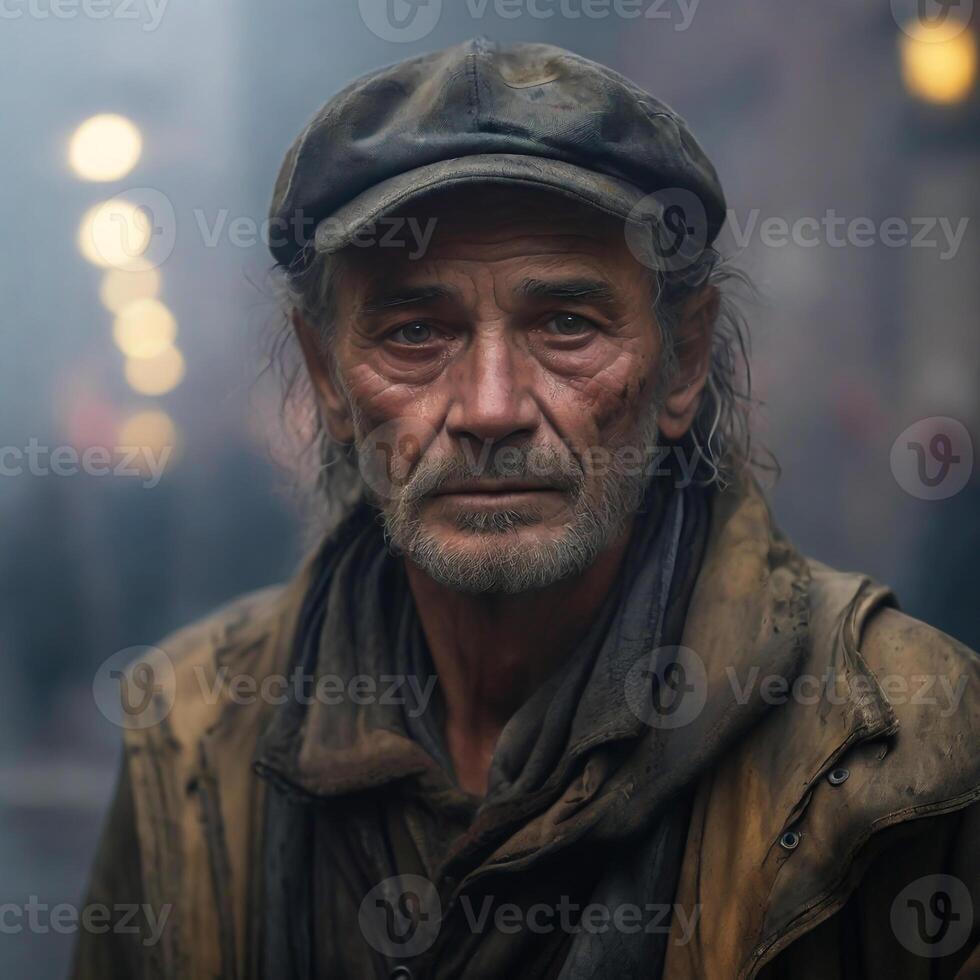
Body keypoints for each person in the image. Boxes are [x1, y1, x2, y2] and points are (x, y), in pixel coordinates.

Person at [73, 39, 979, 980]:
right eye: (416, 333)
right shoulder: (189, 740)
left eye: (566, 325)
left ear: (685, 360)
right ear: (327, 378)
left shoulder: (906, 753)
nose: (491, 408)